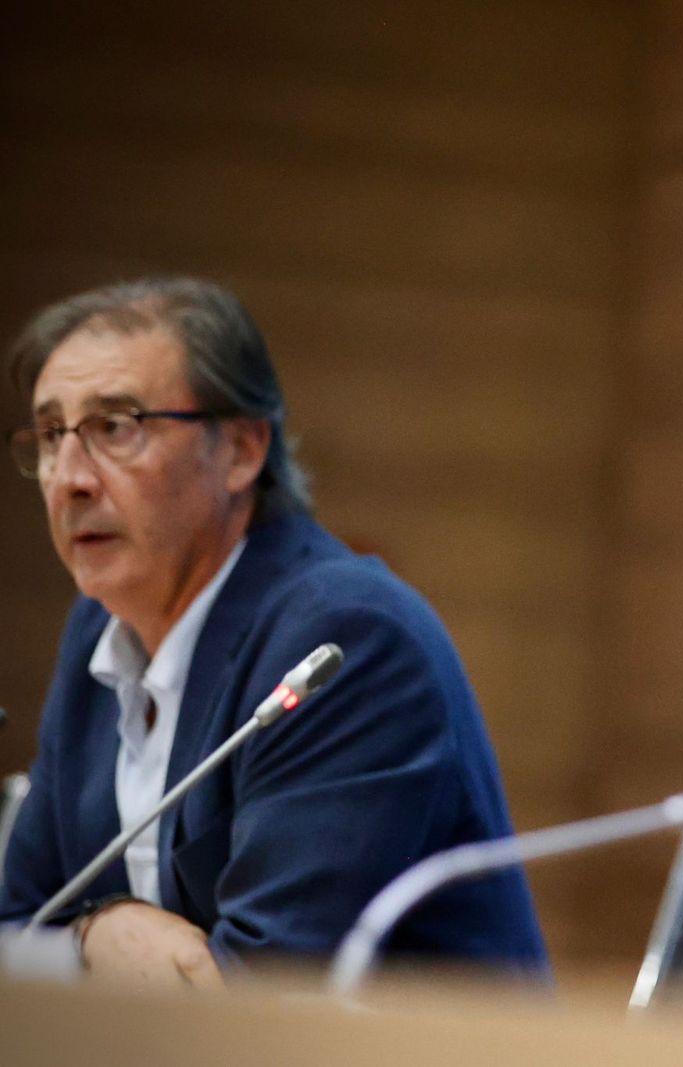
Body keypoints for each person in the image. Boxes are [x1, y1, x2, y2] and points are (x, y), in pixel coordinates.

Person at [0, 277, 547, 986]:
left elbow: (261, 991)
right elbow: (16, 928)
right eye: (50, 436)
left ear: (242, 449)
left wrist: (75, 950)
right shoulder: (100, 633)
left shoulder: (345, 644)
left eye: (115, 427)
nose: (69, 478)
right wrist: (93, 939)